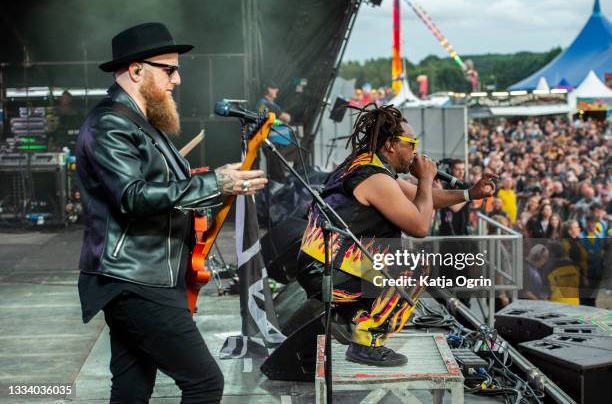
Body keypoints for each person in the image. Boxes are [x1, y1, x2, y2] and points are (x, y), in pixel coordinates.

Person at [76, 23, 267, 403]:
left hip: (144, 278)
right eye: (168, 69)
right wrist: (216, 183)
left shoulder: (143, 124)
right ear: (136, 70)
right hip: (136, 282)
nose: (177, 80)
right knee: (205, 383)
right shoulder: (110, 123)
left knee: (132, 388)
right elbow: (131, 197)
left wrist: (222, 185)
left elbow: (169, 193)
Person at [296, 104, 496, 366]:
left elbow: (421, 198)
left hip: (324, 263)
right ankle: (367, 343)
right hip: (329, 270)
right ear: (391, 145)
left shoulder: (366, 164)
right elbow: (420, 226)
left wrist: (470, 194)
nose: (415, 151)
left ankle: (347, 317)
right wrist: (425, 178)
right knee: (415, 265)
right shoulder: (375, 179)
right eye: (411, 143)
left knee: (389, 258)